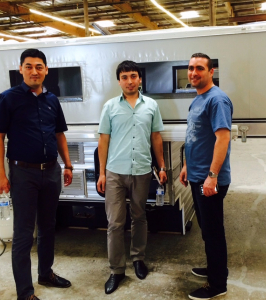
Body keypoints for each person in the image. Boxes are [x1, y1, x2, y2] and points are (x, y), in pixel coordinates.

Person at [0, 48, 74, 300]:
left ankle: (45, 273)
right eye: (29, 66)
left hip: (50, 172)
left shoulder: (52, 100)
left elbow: (59, 134)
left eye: (39, 67)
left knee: (49, 226)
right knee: (24, 233)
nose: (34, 71)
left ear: (46, 70)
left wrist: (67, 165)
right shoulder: (8, 98)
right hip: (22, 172)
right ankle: (25, 293)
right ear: (21, 69)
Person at [97, 60, 167, 294]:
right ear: (119, 81)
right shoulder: (109, 106)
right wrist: (102, 173)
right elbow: (103, 140)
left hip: (142, 170)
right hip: (115, 172)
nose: (129, 81)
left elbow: (156, 137)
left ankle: (138, 258)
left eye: (133, 76)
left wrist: (162, 166)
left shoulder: (151, 106)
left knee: (139, 216)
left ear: (140, 79)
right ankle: (116, 270)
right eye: (125, 77)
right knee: (115, 223)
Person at [179, 53, 233, 300]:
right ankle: (215, 268)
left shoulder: (217, 100)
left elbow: (223, 139)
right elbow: (196, 137)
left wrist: (212, 176)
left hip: (209, 179)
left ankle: (217, 283)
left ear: (211, 72)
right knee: (206, 229)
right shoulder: (198, 99)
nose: (193, 73)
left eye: (199, 68)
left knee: (213, 232)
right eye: (190, 68)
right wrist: (186, 166)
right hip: (197, 174)